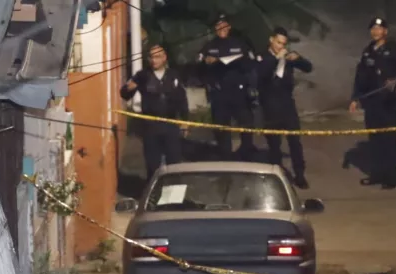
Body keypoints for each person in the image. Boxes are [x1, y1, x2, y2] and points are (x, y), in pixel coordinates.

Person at [349, 17, 396, 190]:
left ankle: (391, 178)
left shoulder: (393, 48)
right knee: (374, 139)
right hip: (371, 103)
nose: (375, 32)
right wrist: (355, 98)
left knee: (388, 139)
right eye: (373, 29)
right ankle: (376, 175)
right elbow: (360, 76)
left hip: (387, 102)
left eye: (379, 28)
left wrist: (395, 80)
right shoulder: (368, 51)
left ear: (385, 31)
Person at [120, 44, 189, 181]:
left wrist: (185, 122)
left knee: (174, 163)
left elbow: (182, 100)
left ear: (164, 58)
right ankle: (153, 196)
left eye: (157, 57)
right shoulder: (142, 75)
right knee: (153, 165)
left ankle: (174, 196)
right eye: (151, 57)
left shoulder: (173, 75)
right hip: (151, 126)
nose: (154, 60)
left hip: (171, 124)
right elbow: (124, 94)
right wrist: (129, 88)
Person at [257, 27, 313, 189]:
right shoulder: (262, 56)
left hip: (287, 105)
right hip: (269, 106)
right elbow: (261, 74)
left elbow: (308, 68)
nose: (281, 46)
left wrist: (298, 58)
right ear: (271, 40)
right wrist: (276, 59)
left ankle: (300, 175)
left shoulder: (288, 57)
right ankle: (277, 176)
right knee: (274, 145)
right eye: (278, 43)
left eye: (283, 44)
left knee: (295, 142)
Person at [198, 13, 257, 161]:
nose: (221, 29)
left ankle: (246, 154)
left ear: (229, 27)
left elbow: (251, 64)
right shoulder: (209, 46)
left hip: (239, 93)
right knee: (221, 129)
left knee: (246, 125)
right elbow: (198, 66)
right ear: (215, 29)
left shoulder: (239, 44)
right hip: (219, 94)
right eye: (218, 26)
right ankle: (226, 158)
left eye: (224, 25)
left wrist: (240, 62)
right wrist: (206, 62)